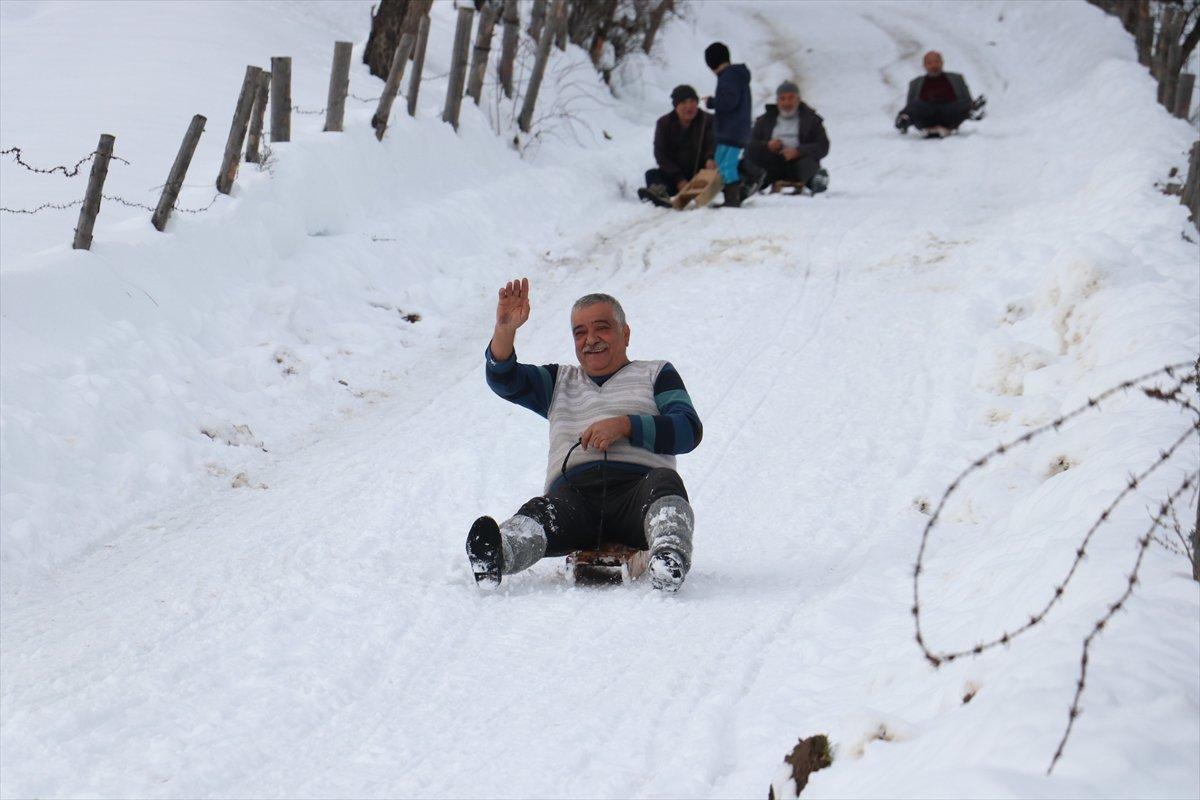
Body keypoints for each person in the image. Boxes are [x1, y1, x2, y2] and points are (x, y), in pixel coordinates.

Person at [468, 279, 703, 592]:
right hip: (574, 499)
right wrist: (505, 330)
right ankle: (498, 554)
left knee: (664, 482)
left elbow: (688, 429)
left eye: (602, 328)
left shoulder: (656, 373)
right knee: (542, 511)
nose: (590, 339)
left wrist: (626, 425)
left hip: (637, 495)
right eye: (580, 332)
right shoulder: (558, 381)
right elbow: (504, 379)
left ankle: (668, 556)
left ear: (626, 333)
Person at [702, 42, 764, 207]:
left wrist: (712, 102)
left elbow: (729, 101)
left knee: (727, 165)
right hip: (731, 130)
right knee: (721, 161)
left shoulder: (729, 77)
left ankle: (733, 198)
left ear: (711, 63)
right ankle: (741, 184)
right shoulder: (732, 76)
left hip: (733, 130)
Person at [746, 80, 830, 194]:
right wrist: (767, 145)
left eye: (791, 98)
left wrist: (798, 151)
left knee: (808, 164)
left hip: (799, 162)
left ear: (798, 99)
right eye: (783, 98)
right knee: (753, 154)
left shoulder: (811, 120)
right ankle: (750, 183)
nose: (787, 103)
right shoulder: (764, 120)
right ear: (777, 101)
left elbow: (823, 145)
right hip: (773, 162)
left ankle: (817, 181)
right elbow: (751, 142)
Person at [638, 85, 716, 208]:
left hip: (701, 174)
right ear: (676, 106)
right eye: (684, 103)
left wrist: (710, 158)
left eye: (692, 102)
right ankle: (659, 194)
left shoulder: (708, 120)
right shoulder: (664, 123)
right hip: (675, 175)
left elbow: (713, 142)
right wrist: (679, 179)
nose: (689, 107)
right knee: (652, 174)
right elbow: (660, 154)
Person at [894, 51, 985, 137]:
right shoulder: (916, 83)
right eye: (929, 63)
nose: (933, 65)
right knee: (915, 105)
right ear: (924, 66)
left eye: (936, 62)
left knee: (963, 104)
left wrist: (968, 105)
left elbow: (966, 98)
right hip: (926, 112)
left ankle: (973, 111)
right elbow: (910, 104)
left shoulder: (956, 79)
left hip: (949, 112)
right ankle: (903, 120)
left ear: (942, 63)